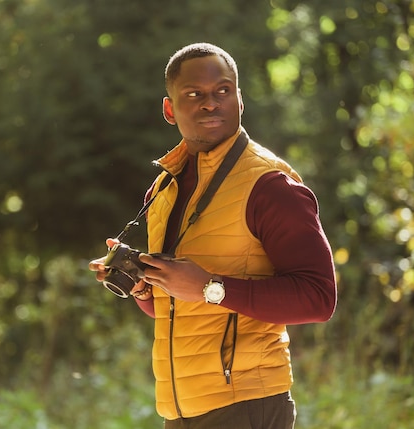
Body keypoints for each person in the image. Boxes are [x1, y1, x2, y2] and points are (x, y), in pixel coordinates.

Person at [89, 42, 337, 429]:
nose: (211, 103)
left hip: (248, 405)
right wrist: (144, 287)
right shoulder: (162, 189)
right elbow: (180, 305)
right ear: (170, 110)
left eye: (223, 91)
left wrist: (210, 286)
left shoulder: (271, 185)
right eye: (194, 94)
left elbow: (319, 299)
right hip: (180, 412)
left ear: (239, 100)